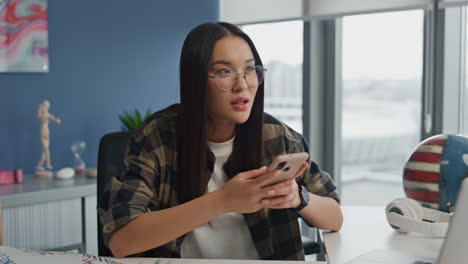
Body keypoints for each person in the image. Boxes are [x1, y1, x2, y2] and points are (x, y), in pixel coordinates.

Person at [98, 22, 342, 260]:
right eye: (224, 72)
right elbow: (122, 241)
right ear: (196, 81)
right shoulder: (157, 138)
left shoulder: (277, 136)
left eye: (250, 69)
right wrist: (223, 200)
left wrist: (298, 197)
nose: (243, 85)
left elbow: (335, 217)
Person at [36, 100, 61, 170]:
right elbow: (39, 116)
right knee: (46, 149)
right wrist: (39, 109)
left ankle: (40, 165)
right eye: (45, 105)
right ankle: (47, 164)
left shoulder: (47, 114)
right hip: (43, 131)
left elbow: (53, 118)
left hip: (46, 131)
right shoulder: (43, 114)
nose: (46, 107)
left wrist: (57, 120)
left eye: (47, 106)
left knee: (46, 150)